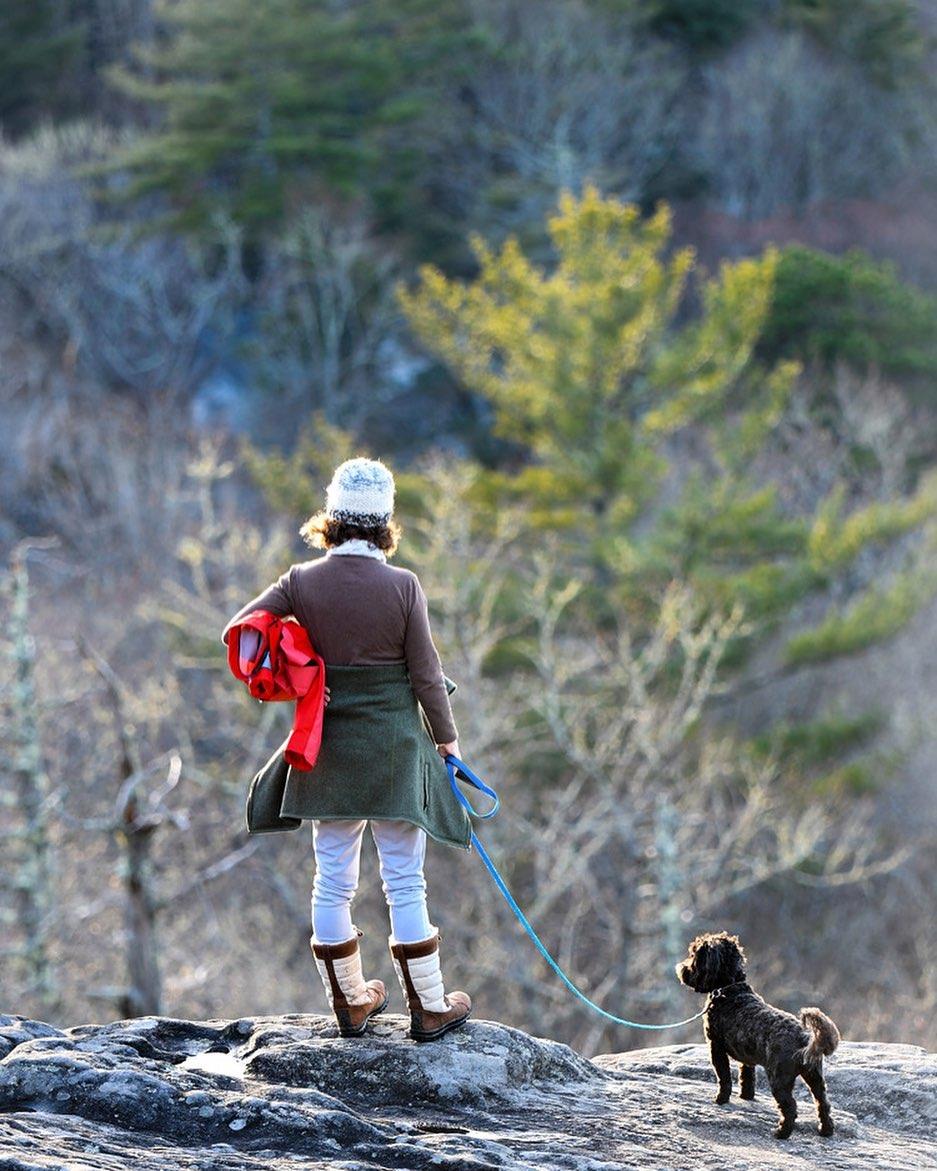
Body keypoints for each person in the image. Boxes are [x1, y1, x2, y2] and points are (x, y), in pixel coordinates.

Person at [222, 457, 473, 1042]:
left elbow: (242, 629)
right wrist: (447, 741)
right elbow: (427, 676)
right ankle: (429, 1008)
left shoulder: (300, 582)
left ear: (331, 520)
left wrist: (302, 671)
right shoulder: (403, 586)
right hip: (394, 753)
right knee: (405, 880)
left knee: (331, 880)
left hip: (325, 748)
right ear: (384, 522)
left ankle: (351, 1002)